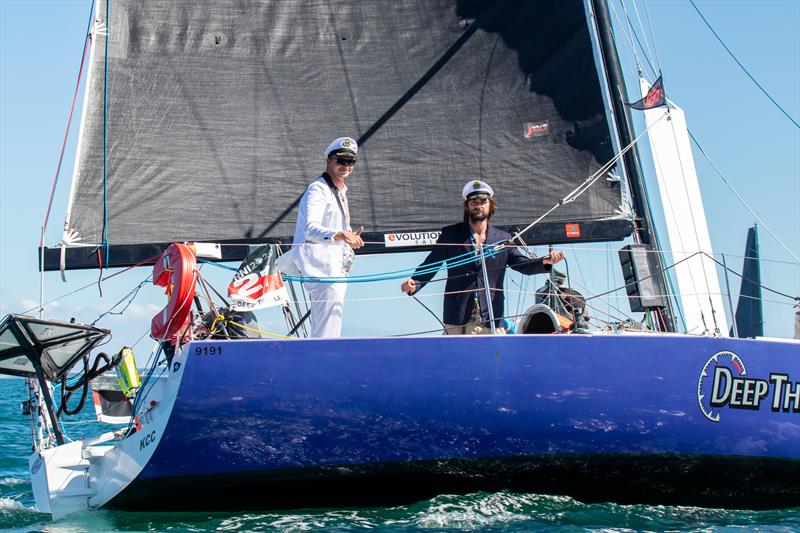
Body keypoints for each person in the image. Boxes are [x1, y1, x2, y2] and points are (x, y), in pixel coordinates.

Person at [400, 179, 565, 335]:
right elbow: (432, 263)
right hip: (458, 319)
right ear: (467, 207)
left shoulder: (503, 238)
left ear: (490, 206)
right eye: (474, 203)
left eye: (483, 202)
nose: (478, 206)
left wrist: (545, 261)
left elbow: (521, 264)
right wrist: (415, 282)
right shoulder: (451, 235)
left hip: (492, 318)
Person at [277, 136, 364, 337]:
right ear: (328, 160)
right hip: (321, 270)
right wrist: (341, 234)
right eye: (341, 160)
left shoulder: (340, 191)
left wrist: (348, 237)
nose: (346, 166)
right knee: (327, 330)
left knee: (330, 326)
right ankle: (324, 361)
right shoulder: (318, 189)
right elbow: (310, 229)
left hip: (334, 268)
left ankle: (323, 359)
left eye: (350, 162)